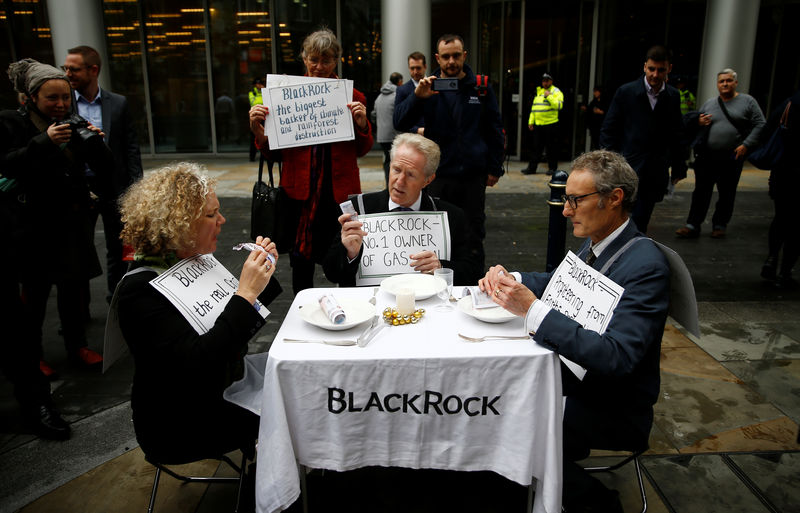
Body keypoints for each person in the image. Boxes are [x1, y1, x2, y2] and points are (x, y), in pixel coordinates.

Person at [479, 150, 670, 513]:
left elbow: (616, 357)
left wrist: (532, 309)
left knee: (504, 417)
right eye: (566, 199)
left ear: (614, 198)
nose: (565, 210)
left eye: (575, 200)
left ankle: (594, 502)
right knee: (494, 395)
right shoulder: (601, 243)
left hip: (613, 405)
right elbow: (560, 283)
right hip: (576, 380)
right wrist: (513, 279)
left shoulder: (646, 267)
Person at [116, 162, 282, 461]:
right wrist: (245, 293)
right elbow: (201, 362)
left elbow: (233, 326)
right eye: (210, 215)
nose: (222, 219)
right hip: (179, 423)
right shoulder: (140, 291)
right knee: (291, 406)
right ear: (178, 224)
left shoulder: (194, 261)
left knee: (295, 377)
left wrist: (260, 279)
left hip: (220, 389)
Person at [1, 59, 112, 373]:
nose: (61, 104)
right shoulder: (12, 123)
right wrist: (45, 141)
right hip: (32, 227)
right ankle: (31, 355)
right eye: (52, 98)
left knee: (74, 292)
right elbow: (7, 163)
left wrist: (96, 142)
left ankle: (77, 346)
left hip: (72, 224)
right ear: (32, 97)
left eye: (66, 97)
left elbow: (105, 168)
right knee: (34, 297)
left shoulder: (74, 124)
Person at [249, 28, 373, 294]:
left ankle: (348, 304)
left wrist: (362, 124)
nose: (319, 66)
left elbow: (362, 150)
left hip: (338, 194)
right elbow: (275, 154)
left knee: (345, 251)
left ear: (336, 61)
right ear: (304, 58)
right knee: (301, 260)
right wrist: (260, 133)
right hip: (300, 195)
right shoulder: (284, 96)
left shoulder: (354, 98)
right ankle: (301, 306)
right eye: (313, 59)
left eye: (326, 60)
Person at [394, 34, 505, 265]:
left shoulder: (481, 87)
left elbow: (494, 129)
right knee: (438, 233)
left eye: (456, 56)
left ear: (464, 55)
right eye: (446, 57)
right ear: (437, 58)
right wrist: (417, 98)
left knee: (473, 234)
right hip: (438, 176)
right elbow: (399, 123)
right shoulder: (428, 88)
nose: (451, 61)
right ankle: (438, 280)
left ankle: (473, 284)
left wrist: (495, 168)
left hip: (473, 177)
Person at [323, 133, 483, 286]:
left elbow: (474, 271)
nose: (400, 182)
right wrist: (350, 253)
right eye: (396, 170)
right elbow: (332, 274)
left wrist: (441, 268)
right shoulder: (359, 209)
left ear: (428, 180)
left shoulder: (451, 217)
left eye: (411, 175)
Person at [64, 45, 143, 304]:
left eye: (73, 69)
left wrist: (136, 187)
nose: (68, 74)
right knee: (77, 249)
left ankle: (116, 299)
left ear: (93, 70)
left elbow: (131, 146)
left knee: (118, 246)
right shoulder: (63, 104)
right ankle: (78, 309)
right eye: (66, 69)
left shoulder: (117, 103)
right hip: (77, 187)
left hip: (112, 185)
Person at [600, 45, 687, 233]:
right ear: (644, 67)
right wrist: (611, 162)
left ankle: (632, 253)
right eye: (651, 69)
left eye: (661, 70)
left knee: (641, 220)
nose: (655, 75)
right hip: (627, 165)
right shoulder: (626, 92)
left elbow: (676, 132)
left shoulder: (672, 96)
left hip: (654, 169)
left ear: (669, 69)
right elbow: (609, 129)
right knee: (616, 214)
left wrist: (680, 165)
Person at [676, 68, 765, 239]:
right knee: (701, 192)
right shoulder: (710, 103)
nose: (725, 84)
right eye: (721, 81)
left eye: (728, 80)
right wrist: (699, 121)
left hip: (732, 157)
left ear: (735, 83)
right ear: (717, 84)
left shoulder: (748, 101)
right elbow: (696, 122)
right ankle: (692, 224)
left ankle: (719, 225)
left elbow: (761, 124)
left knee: (727, 193)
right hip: (707, 157)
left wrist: (746, 144)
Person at [761, 89, 799, 288]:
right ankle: (786, 270)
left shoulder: (789, 103)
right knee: (796, 225)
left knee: (781, 217)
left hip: (783, 171)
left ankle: (772, 257)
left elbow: (767, 130)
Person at [523, 73, 564, 175]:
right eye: (543, 81)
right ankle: (532, 168)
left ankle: (552, 169)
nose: (545, 83)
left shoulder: (556, 91)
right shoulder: (539, 91)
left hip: (551, 124)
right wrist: (531, 122)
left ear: (551, 81)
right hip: (539, 125)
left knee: (551, 148)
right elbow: (535, 108)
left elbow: (559, 106)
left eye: (547, 80)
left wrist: (549, 97)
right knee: (536, 148)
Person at [372, 72, 403, 184]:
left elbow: (374, 115)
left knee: (388, 160)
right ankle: (393, 183)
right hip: (394, 135)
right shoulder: (397, 96)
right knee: (396, 161)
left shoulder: (379, 97)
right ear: (399, 81)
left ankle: (388, 182)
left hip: (382, 136)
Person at [394, 51, 427, 135]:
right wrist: (416, 130)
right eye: (412, 68)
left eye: (418, 68)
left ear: (425, 67)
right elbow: (397, 120)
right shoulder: (402, 90)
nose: (415, 72)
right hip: (414, 138)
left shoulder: (435, 85)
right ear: (409, 68)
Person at [581, 86, 606, 150]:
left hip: (601, 126)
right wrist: (586, 108)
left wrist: (601, 112)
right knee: (595, 142)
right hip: (594, 126)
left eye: (596, 92)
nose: (594, 93)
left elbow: (607, 112)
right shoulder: (594, 101)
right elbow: (590, 109)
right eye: (594, 92)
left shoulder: (605, 101)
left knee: (601, 143)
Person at [248, 77, 265, 161]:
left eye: (260, 84)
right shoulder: (252, 93)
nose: (259, 85)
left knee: (265, 137)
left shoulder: (265, 92)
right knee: (254, 138)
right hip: (256, 117)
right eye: (257, 84)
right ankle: (252, 157)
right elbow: (253, 102)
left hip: (265, 117)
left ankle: (265, 156)